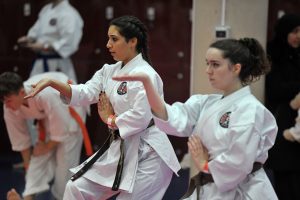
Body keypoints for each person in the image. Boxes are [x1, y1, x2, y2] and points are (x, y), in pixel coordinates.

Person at [24, 15, 180, 200]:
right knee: (75, 188)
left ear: (132, 41)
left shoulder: (146, 75)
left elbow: (140, 118)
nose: (108, 44)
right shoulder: (109, 71)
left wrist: (109, 118)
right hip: (120, 150)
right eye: (108, 39)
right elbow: (85, 92)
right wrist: (53, 82)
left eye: (114, 39)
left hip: (150, 156)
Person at [112, 38, 278, 200]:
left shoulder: (251, 111)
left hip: (242, 189)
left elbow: (239, 162)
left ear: (236, 68)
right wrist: (147, 83)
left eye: (215, 64)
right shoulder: (206, 103)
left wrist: (205, 164)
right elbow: (171, 115)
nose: (208, 70)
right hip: (213, 185)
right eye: (207, 63)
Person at [0, 71, 88, 200]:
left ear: (21, 93)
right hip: (48, 114)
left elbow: (61, 131)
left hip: (70, 108)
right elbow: (22, 141)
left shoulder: (45, 94)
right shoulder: (8, 107)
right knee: (37, 157)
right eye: (3, 101)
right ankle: (28, 196)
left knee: (64, 165)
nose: (6, 105)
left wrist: (46, 147)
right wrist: (28, 167)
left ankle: (61, 197)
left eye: (9, 100)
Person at [265, 13, 300, 200]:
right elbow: (275, 89)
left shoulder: (297, 55)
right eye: (295, 31)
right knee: (287, 185)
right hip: (282, 124)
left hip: (298, 126)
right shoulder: (274, 55)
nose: (299, 36)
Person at [17, 0, 83, 82]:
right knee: (34, 90)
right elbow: (36, 30)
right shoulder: (46, 9)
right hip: (40, 62)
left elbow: (70, 42)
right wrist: (28, 38)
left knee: (59, 92)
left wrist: (45, 46)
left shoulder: (70, 13)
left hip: (58, 64)